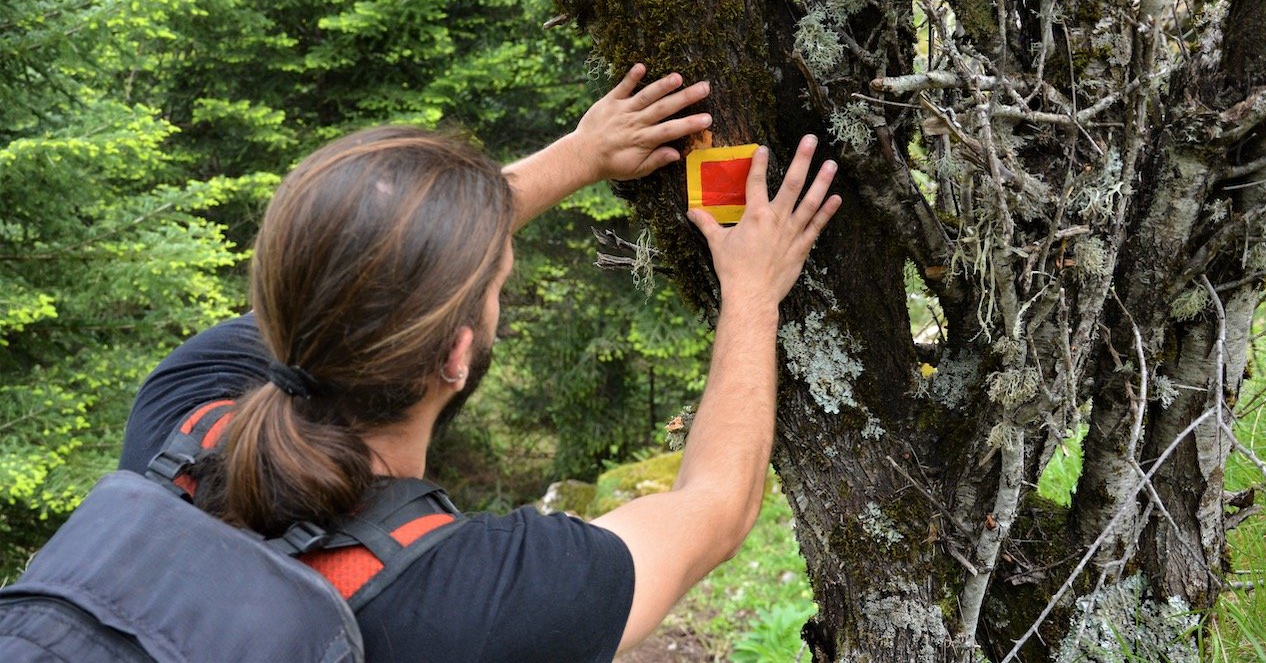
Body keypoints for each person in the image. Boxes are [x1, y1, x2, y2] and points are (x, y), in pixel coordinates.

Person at [117, 64, 841, 661]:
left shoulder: (180, 422)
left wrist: (582, 154)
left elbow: (358, 268)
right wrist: (753, 290)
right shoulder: (479, 601)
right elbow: (716, 507)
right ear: (458, 354)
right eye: (497, 286)